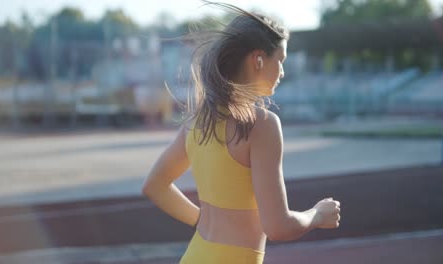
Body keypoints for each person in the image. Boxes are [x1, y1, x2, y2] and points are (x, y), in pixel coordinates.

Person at [141, 2, 341, 263]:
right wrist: (318, 214)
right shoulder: (262, 125)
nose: (282, 71)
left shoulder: (197, 119)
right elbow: (278, 227)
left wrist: (202, 220)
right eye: (279, 60)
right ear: (258, 59)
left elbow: (154, 186)